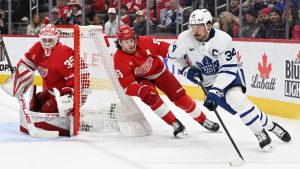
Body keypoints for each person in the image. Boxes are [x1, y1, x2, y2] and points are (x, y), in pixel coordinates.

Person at [168, 9, 291, 150]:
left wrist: (216, 90)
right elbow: (172, 57)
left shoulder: (223, 39)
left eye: (199, 26)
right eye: (192, 26)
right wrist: (186, 70)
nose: (195, 30)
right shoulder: (185, 38)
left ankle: (259, 133)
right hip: (208, 82)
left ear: (208, 25)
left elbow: (228, 68)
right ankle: (271, 126)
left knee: (237, 99)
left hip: (228, 77)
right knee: (242, 107)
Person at [113, 24, 220, 139]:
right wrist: (140, 90)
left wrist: (183, 57)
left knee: (181, 98)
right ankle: (174, 123)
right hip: (142, 80)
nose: (131, 44)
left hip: (160, 72)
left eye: (131, 40)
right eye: (126, 42)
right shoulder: (119, 59)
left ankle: (203, 120)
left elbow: (165, 49)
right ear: (120, 43)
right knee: (150, 97)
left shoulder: (145, 41)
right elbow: (127, 86)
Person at [4, 24, 88, 135]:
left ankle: (70, 120)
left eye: (50, 40)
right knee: (35, 104)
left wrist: (70, 98)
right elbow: (25, 63)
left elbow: (79, 78)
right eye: (44, 39)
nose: (47, 43)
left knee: (44, 110)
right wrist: (20, 75)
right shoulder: (37, 48)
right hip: (50, 91)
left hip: (63, 96)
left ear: (57, 39)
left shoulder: (64, 53)